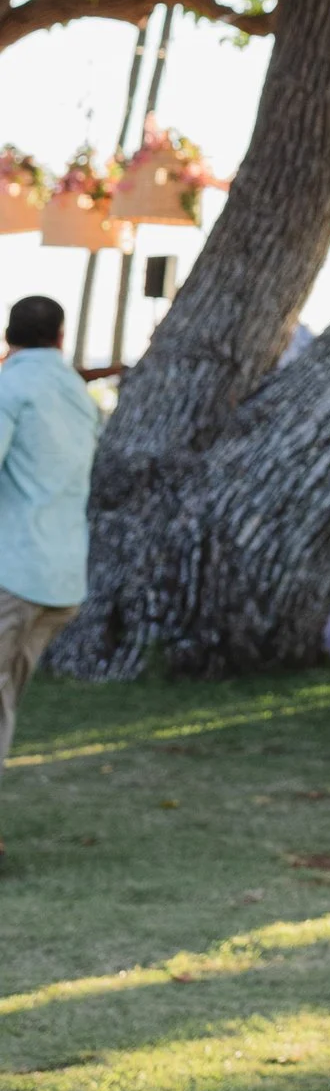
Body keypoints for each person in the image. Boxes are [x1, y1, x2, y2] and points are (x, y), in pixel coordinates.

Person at [0, 294, 103, 836]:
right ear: (61, 337)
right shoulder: (76, 393)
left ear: (6, 336)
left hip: (11, 569)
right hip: (60, 575)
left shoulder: (9, 387)